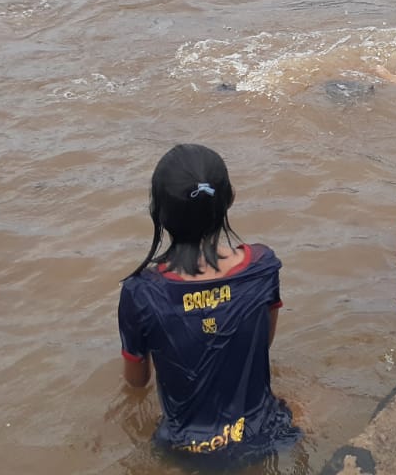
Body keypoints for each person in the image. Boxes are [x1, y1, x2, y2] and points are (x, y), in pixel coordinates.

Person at [118, 143, 301, 464]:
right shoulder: (262, 267)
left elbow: (136, 382)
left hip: (183, 447)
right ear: (231, 198)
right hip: (262, 432)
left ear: (157, 211)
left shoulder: (141, 292)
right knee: (302, 406)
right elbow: (264, 343)